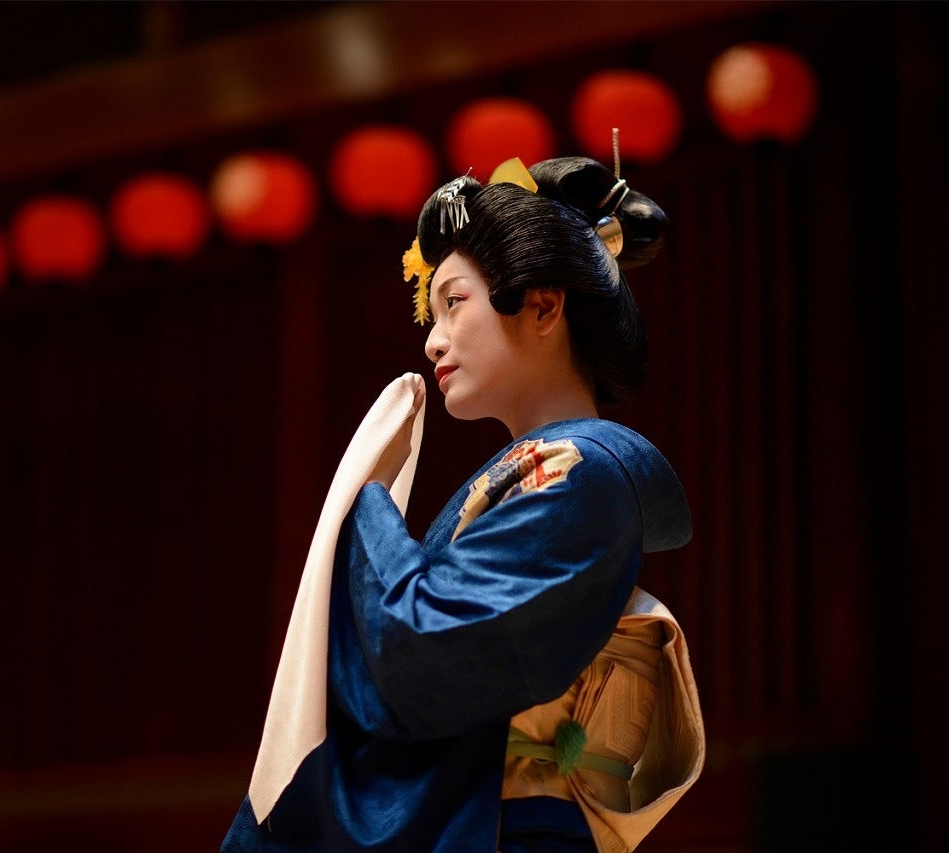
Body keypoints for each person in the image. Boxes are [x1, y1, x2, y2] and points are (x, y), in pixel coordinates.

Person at [222, 153, 704, 852]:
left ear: (543, 305)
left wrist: (368, 501)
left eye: (454, 301)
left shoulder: (581, 470)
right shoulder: (542, 473)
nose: (433, 339)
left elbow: (424, 648)